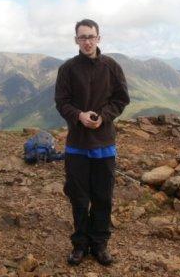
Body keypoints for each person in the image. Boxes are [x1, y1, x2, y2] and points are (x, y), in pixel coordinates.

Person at [54, 19, 130, 266]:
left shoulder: (111, 67)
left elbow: (121, 99)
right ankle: (80, 245)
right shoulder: (67, 69)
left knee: (103, 197)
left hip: (104, 143)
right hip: (77, 144)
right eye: (82, 37)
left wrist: (103, 117)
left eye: (91, 36)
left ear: (99, 38)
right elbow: (61, 101)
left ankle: (100, 245)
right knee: (78, 197)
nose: (87, 41)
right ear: (76, 40)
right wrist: (79, 115)